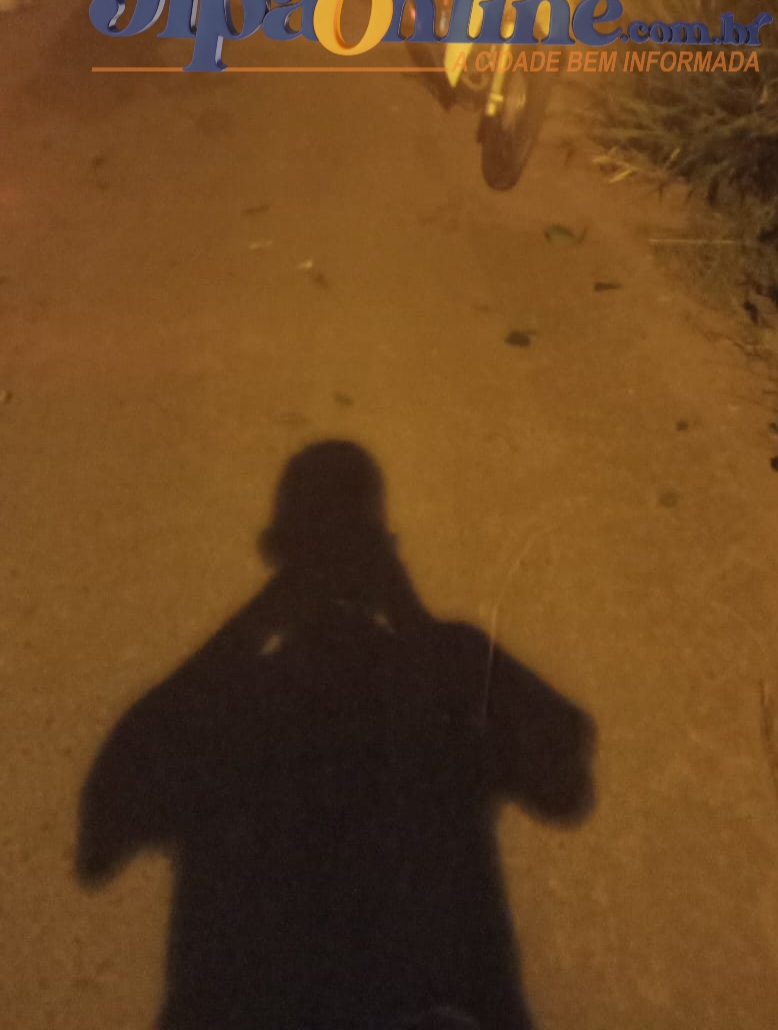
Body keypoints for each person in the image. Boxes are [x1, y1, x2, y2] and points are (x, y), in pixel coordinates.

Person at [77, 441, 595, 1030]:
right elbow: (565, 784)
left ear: (277, 551)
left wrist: (268, 609)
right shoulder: (444, 669)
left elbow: (104, 829)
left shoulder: (230, 698)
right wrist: (405, 608)